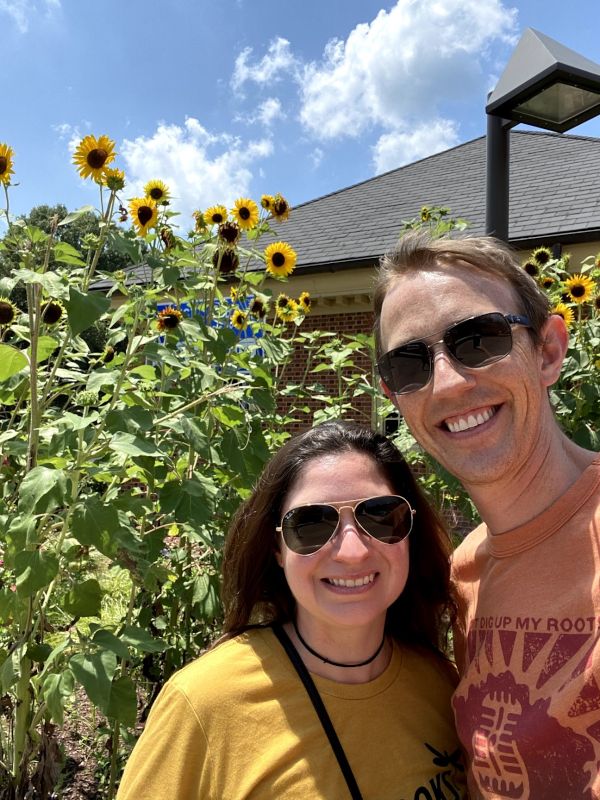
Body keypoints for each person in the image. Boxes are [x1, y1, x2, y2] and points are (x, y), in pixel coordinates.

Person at [117, 420, 466, 799]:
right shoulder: (204, 704)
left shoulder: (441, 685)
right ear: (277, 549)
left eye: (380, 515)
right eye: (312, 523)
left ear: (409, 531)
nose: (353, 552)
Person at [374, 230, 600, 799]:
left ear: (548, 351)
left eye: (478, 339)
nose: (448, 381)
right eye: (409, 364)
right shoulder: (463, 574)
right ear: (395, 396)